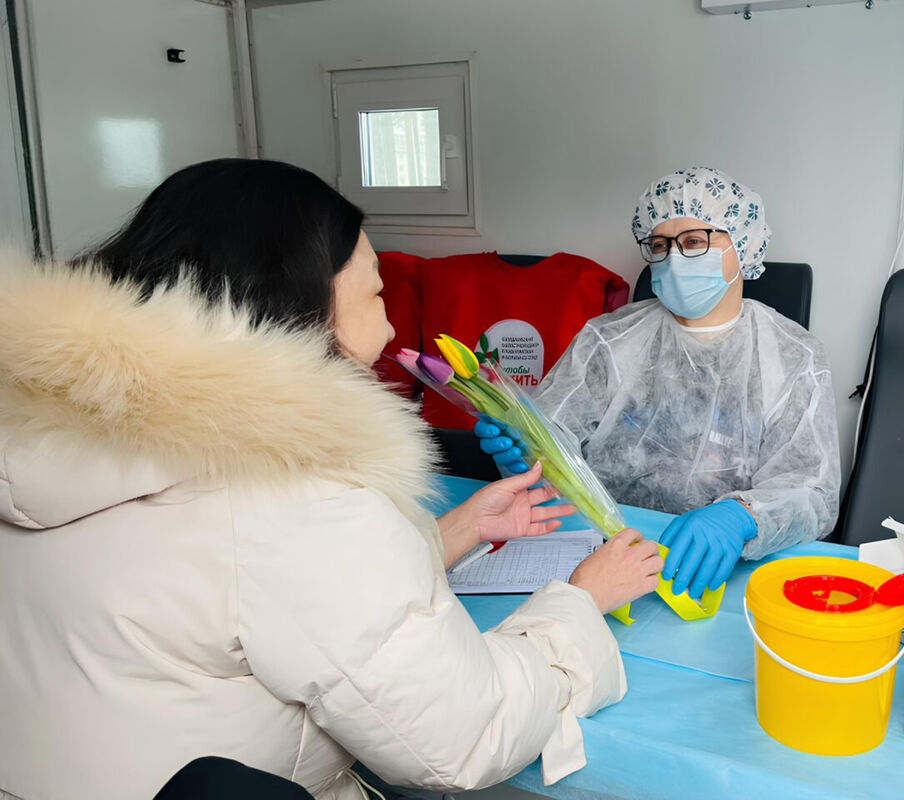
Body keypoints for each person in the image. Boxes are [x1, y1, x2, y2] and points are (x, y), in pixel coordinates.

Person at [0, 159, 664, 800]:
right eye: (376, 292)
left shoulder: (45, 436)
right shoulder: (291, 492)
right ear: (305, 303)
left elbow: (235, 588)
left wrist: (454, 532)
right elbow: (467, 735)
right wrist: (581, 604)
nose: (393, 323)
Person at [477, 167, 840, 601]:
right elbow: (554, 435)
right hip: (606, 552)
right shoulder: (610, 340)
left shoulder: (792, 356)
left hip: (731, 568)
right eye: (660, 245)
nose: (673, 259)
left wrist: (743, 516)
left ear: (742, 245)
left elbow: (812, 492)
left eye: (694, 242)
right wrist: (526, 454)